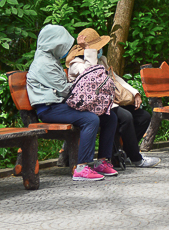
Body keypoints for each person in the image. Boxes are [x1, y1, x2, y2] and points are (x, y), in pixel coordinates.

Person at [27, 25, 117, 181]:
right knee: (91, 119)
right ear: (54, 44)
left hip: (60, 105)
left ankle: (102, 161)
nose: (66, 48)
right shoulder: (43, 63)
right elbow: (65, 90)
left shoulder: (50, 60)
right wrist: (86, 87)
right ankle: (82, 168)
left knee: (109, 117)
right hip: (49, 109)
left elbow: (68, 90)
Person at [67, 28, 160, 167]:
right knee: (126, 117)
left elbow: (115, 78)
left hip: (109, 101)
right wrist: (88, 49)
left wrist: (135, 93)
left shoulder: (101, 60)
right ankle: (136, 159)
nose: (99, 50)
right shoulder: (76, 65)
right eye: (96, 48)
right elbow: (91, 77)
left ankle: (127, 153)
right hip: (93, 105)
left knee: (143, 116)